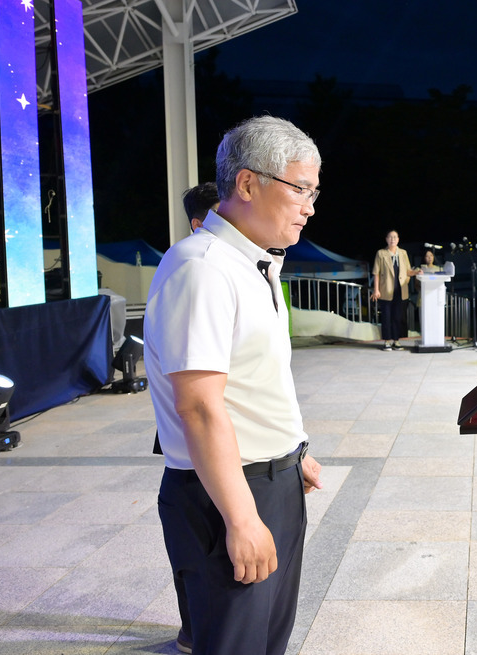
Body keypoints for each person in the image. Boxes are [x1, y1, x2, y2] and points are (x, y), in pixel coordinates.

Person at [143, 116, 324, 655]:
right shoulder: (204, 267)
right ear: (247, 184)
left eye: (315, 191)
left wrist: (292, 452)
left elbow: (254, 380)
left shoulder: (253, 264)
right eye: (300, 189)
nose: (310, 206)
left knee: (267, 640)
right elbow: (198, 407)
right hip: (226, 493)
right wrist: (241, 518)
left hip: (270, 480)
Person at [151, 181, 221, 653]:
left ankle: (197, 629)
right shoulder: (194, 268)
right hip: (191, 444)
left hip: (199, 439)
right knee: (194, 546)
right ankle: (195, 630)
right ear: (201, 221)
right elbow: (194, 398)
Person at [372, 230, 418, 350]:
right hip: (386, 290)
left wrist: (416, 272)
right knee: (386, 317)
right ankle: (387, 341)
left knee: (398, 317)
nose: (392, 239)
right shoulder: (381, 253)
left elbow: (408, 271)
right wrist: (376, 290)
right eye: (390, 237)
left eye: (395, 237)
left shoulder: (403, 253)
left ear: (398, 239)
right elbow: (376, 273)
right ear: (386, 239)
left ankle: (396, 341)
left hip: (401, 291)